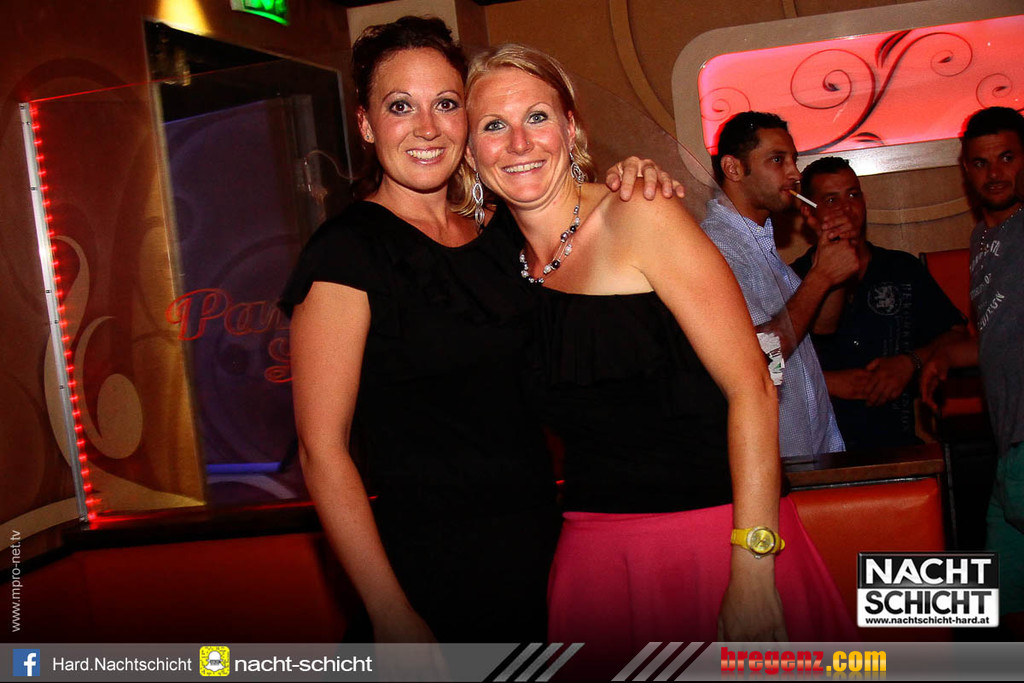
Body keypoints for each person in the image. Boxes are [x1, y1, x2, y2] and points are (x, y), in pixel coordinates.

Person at [280, 16, 679, 643]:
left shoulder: (501, 235)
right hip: (431, 576)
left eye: (445, 104)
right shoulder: (347, 253)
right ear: (366, 124)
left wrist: (630, 180)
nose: (427, 127)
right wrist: (390, 613)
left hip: (547, 552)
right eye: (400, 106)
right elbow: (321, 452)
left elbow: (584, 229)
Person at [464, 44, 857, 672]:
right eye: (492, 125)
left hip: (715, 536)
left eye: (536, 117)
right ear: (469, 150)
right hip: (596, 556)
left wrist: (754, 566)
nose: (518, 142)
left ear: (570, 128)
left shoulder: (639, 214)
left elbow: (753, 386)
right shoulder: (493, 262)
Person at [921, 106, 1024, 636]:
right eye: (981, 163)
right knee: (997, 609)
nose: (995, 173)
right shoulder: (981, 240)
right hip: (1006, 446)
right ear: (966, 170)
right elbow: (991, 341)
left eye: (1007, 157)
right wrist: (941, 358)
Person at [700, 112, 855, 459]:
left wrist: (833, 262)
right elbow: (760, 355)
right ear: (733, 168)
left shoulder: (760, 244)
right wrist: (820, 277)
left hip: (809, 453)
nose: (795, 173)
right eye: (777, 160)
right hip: (774, 459)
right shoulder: (718, 249)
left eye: (793, 160)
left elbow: (823, 325)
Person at [790, 157, 968, 450]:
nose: (846, 208)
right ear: (808, 211)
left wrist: (910, 362)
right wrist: (827, 382)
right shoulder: (790, 280)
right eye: (831, 200)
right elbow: (765, 367)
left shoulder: (901, 268)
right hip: (820, 451)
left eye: (853, 195)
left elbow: (957, 336)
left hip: (897, 446)